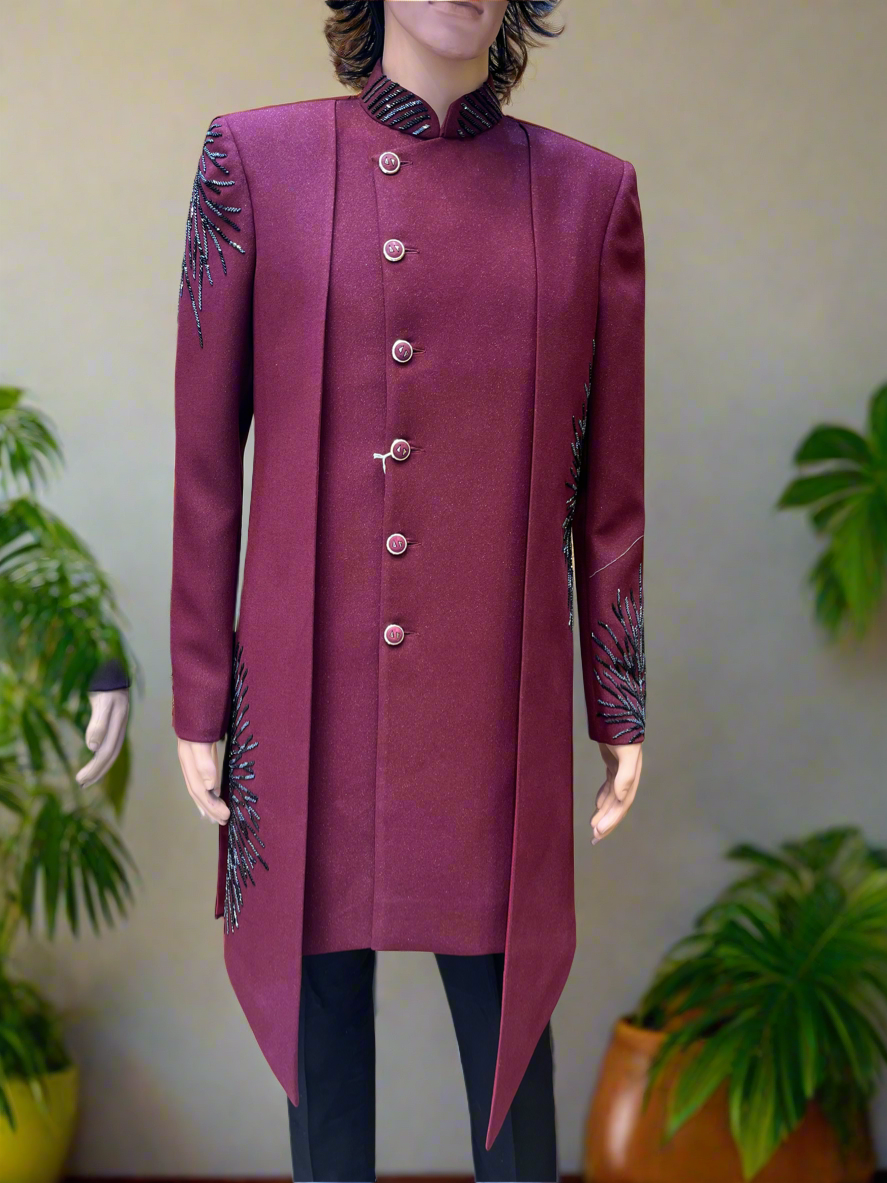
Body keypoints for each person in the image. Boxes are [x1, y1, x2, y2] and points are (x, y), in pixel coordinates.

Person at [170, 2, 646, 1179]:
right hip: (305, 693)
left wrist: (617, 703)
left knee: (508, 1058)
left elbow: (612, 489)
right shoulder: (253, 160)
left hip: (491, 703)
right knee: (318, 1045)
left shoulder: (589, 196)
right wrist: (198, 689)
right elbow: (204, 458)